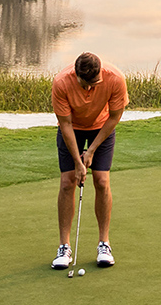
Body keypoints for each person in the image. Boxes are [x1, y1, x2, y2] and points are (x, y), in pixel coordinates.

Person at [50, 52, 128, 269]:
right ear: (76, 75)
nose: (90, 89)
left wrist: (91, 150)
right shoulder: (61, 83)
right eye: (85, 85)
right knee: (67, 183)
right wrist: (78, 161)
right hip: (72, 129)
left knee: (102, 181)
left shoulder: (115, 79)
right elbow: (64, 124)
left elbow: (114, 117)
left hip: (101, 129)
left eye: (95, 84)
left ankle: (104, 244)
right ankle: (64, 247)